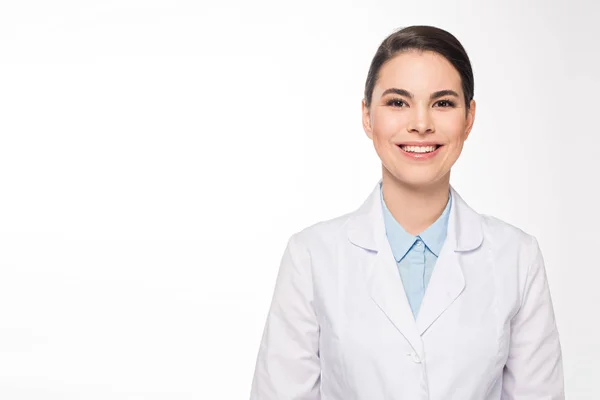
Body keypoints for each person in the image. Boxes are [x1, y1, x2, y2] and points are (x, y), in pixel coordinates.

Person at [249, 25, 564, 399]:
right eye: (397, 102)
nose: (420, 123)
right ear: (367, 116)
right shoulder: (312, 257)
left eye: (443, 103)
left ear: (469, 118)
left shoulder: (517, 258)